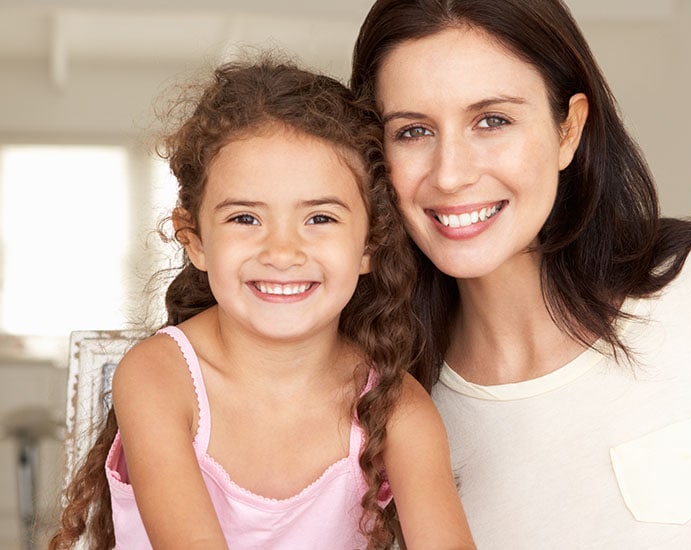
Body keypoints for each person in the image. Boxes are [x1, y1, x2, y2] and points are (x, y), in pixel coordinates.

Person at [351, 0, 691, 547]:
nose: (450, 174)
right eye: (413, 131)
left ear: (569, 130)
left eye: (492, 121)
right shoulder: (387, 408)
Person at [49, 56, 475, 550]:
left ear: (369, 245)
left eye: (320, 219)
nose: (282, 252)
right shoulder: (158, 377)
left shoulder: (399, 409)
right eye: (245, 219)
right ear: (195, 240)